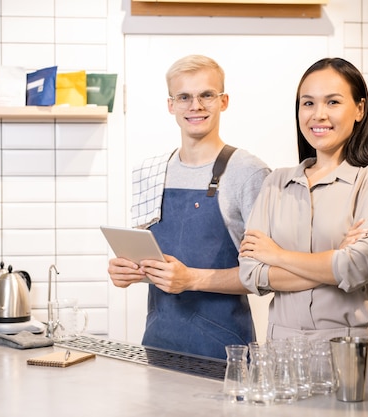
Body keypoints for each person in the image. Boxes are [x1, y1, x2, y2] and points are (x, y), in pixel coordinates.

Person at [239, 57, 368, 390]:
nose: (319, 114)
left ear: (359, 109)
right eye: (308, 103)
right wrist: (334, 261)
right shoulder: (276, 182)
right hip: (280, 352)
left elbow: (360, 263)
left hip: (351, 350)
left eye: (333, 102)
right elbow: (250, 273)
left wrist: (278, 255)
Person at [107, 54, 271, 360]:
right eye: (184, 97)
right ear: (171, 105)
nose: (195, 106)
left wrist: (191, 279)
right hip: (157, 345)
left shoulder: (248, 172)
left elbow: (268, 274)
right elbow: (156, 263)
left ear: (224, 101)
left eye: (206, 95)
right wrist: (129, 270)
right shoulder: (151, 172)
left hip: (224, 353)